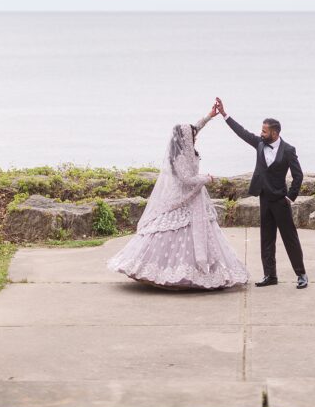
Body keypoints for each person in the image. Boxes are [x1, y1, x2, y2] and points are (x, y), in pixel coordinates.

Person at [106, 106, 248, 290]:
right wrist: (207, 179)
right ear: (185, 139)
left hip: (195, 197)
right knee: (174, 232)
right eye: (192, 136)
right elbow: (186, 179)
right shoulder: (179, 157)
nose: (195, 137)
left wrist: (209, 116)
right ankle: (168, 273)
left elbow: (193, 129)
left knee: (201, 233)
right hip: (183, 198)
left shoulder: (186, 148)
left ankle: (199, 272)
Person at [214, 97, 308, 288]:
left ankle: (301, 274)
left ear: (275, 133)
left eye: (264, 131)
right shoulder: (259, 143)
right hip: (264, 198)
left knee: (290, 238)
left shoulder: (288, 150)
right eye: (261, 130)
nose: (261, 133)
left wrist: (290, 197)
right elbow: (242, 132)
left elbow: (298, 175)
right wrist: (224, 114)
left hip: (281, 200)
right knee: (266, 239)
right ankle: (270, 276)